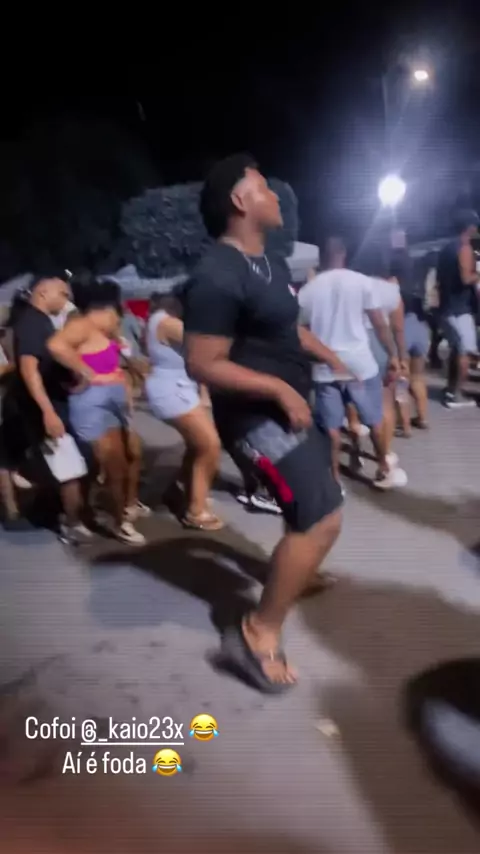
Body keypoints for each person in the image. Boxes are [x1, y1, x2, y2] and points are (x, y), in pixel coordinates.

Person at [183, 153, 348, 693]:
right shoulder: (216, 274)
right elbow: (202, 363)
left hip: (291, 408)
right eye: (263, 187)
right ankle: (257, 632)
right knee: (321, 519)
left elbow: (286, 329)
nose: (276, 194)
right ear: (239, 201)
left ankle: (292, 569)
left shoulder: (271, 263)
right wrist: (277, 388)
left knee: (315, 505)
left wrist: (331, 356)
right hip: (256, 420)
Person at [47, 278, 149, 545]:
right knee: (107, 466)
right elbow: (55, 346)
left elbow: (118, 360)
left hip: (111, 402)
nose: (119, 317)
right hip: (92, 403)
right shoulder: (81, 325)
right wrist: (85, 371)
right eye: (116, 311)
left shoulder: (103, 330)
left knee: (121, 462)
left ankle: (113, 513)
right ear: (104, 309)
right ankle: (111, 520)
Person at [299, 237, 404, 490]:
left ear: (321, 258)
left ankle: (334, 479)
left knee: (331, 428)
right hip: (360, 364)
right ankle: (383, 467)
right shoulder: (361, 282)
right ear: (344, 255)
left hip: (326, 365)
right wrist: (393, 354)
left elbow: (302, 331)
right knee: (373, 419)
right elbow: (379, 324)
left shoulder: (308, 290)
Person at [1, 274, 92, 544]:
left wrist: (69, 380)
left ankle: (51, 511)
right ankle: (71, 523)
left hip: (48, 404)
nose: (67, 300)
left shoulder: (40, 322)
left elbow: (44, 366)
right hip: (43, 408)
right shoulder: (32, 324)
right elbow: (29, 370)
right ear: (43, 293)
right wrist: (47, 412)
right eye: (63, 294)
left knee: (72, 462)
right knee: (69, 466)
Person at [145, 291, 223, 530]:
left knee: (197, 445)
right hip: (172, 391)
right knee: (209, 445)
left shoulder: (160, 319)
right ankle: (196, 512)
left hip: (179, 388)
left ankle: (186, 490)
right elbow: (206, 346)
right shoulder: (168, 323)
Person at [437, 209, 480, 408]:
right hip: (459, 310)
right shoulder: (464, 247)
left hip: (447, 306)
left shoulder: (446, 248)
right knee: (465, 352)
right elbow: (465, 278)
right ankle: (457, 395)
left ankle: (450, 389)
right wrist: (478, 274)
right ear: (469, 227)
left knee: (457, 350)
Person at [388, 231, 429, 432]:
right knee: (417, 377)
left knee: (400, 380)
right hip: (420, 325)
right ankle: (422, 418)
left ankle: (404, 425)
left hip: (403, 327)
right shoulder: (416, 265)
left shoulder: (390, 269)